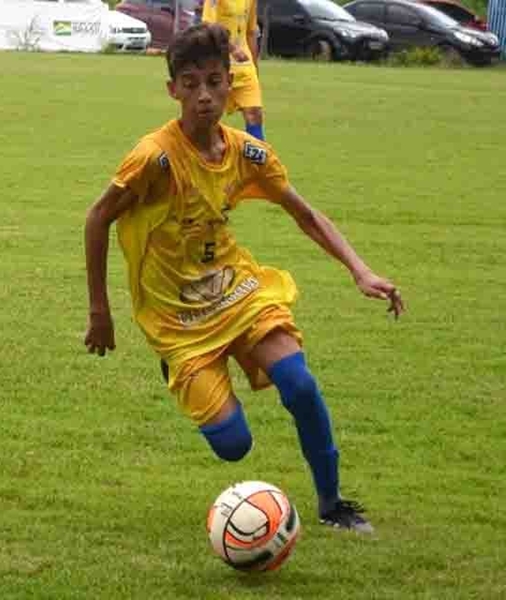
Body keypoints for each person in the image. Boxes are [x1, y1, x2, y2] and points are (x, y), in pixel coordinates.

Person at [83, 24, 404, 532]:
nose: (204, 96)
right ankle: (182, 369)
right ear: (173, 91)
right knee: (234, 447)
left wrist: (361, 270)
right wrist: (100, 312)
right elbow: (97, 218)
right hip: (177, 318)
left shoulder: (247, 153)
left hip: (236, 291)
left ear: (230, 86)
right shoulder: (154, 158)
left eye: (215, 81)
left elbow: (305, 213)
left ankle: (332, 503)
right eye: (191, 84)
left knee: (299, 384)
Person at [200, 0, 265, 140]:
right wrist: (233, 49)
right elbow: (208, 26)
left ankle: (257, 159)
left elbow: (251, 32)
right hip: (218, 65)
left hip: (245, 67)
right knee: (209, 117)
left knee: (254, 114)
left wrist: (254, 67)